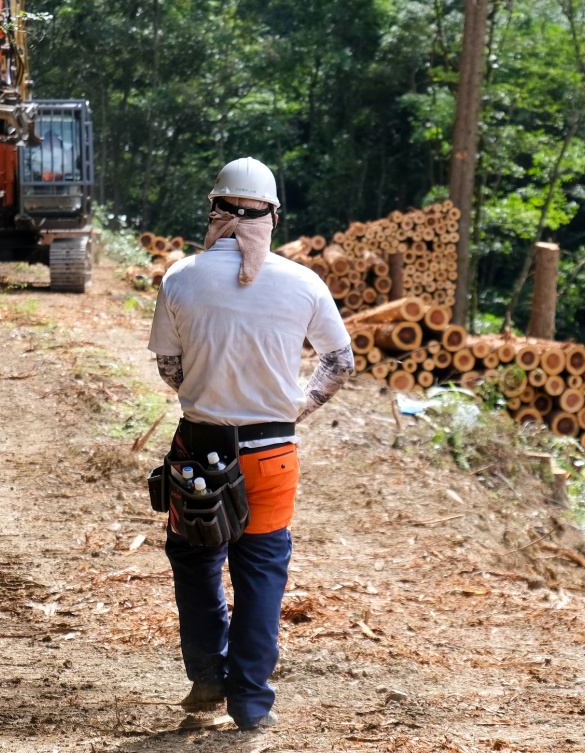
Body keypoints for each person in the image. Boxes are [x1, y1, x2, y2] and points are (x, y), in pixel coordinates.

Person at [147, 157, 354, 731]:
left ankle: (207, 675)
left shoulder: (181, 276)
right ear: (273, 215)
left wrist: (207, 387)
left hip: (198, 450)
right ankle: (251, 703)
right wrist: (299, 407)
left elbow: (170, 368)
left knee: (194, 562)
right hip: (272, 454)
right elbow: (340, 362)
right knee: (262, 572)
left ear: (215, 210)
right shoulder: (304, 282)